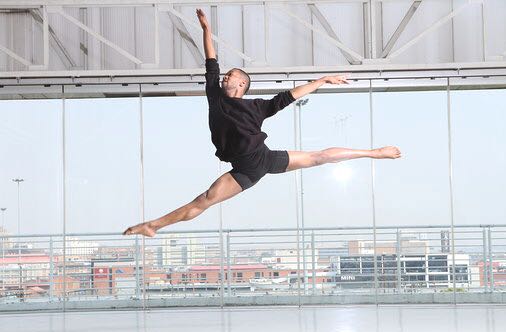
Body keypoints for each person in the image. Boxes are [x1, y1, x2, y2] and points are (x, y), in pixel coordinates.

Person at [123, 9, 401, 237]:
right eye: (225, 75)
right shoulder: (215, 97)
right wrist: (206, 30)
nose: (224, 78)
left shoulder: (257, 107)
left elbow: (289, 96)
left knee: (319, 157)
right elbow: (211, 61)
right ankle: (152, 226)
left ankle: (375, 152)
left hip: (262, 158)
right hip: (245, 170)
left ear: (241, 83)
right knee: (204, 200)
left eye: (230, 75)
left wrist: (323, 80)